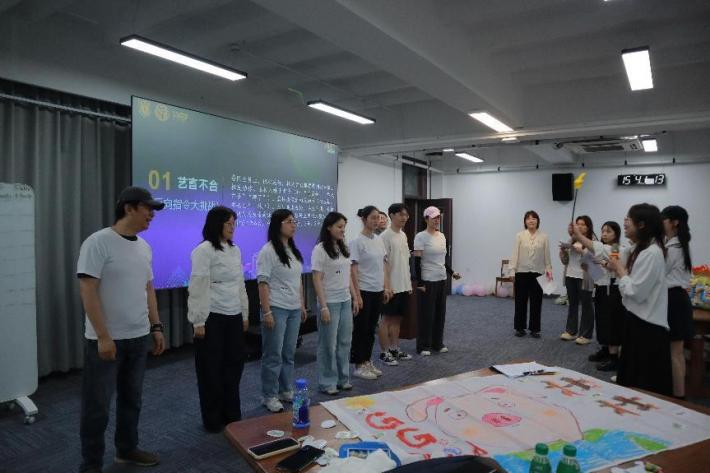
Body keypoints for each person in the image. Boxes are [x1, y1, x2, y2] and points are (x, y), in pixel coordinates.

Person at [76, 186, 166, 473]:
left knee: (132, 400)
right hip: (105, 341)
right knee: (97, 406)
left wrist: (156, 326)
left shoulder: (144, 247)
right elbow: (88, 290)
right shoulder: (98, 242)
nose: (151, 214)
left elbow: (148, 289)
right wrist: (103, 336)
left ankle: (126, 450)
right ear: (128, 208)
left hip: (138, 337)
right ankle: (91, 464)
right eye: (147, 208)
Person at [187, 206, 250, 432]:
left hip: (234, 314)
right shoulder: (204, 250)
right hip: (211, 316)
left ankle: (231, 415)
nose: (233, 227)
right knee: (210, 369)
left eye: (234, 223)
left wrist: (244, 313)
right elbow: (198, 286)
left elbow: (240, 284)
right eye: (228, 223)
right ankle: (213, 419)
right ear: (217, 224)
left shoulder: (235, 250)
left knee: (234, 366)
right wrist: (198, 321)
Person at [606, 204, 672, 396]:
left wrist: (620, 271)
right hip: (638, 321)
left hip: (646, 327)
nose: (625, 222)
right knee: (632, 381)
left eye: (629, 219)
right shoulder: (642, 249)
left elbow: (635, 292)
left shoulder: (651, 253)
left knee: (642, 387)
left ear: (642, 224)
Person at [257, 209, 307, 413]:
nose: (293, 225)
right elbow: (262, 283)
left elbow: (298, 281)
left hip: (293, 308)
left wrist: (302, 304)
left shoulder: (293, 250)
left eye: (294, 221)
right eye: (289, 221)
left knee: (288, 353)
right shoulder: (268, 251)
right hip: (276, 307)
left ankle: (285, 389)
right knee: (273, 354)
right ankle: (269, 395)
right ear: (278, 225)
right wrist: (267, 311)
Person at [312, 212, 360, 395]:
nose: (342, 230)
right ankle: (327, 382)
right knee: (328, 344)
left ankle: (343, 379)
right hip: (330, 302)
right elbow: (317, 279)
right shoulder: (320, 249)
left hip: (344, 300)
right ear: (329, 227)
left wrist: (354, 297)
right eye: (339, 227)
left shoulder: (343, 247)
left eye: (344, 227)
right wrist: (323, 306)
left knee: (345, 341)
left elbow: (347, 276)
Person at [572, 221, 624, 371]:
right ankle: (605, 349)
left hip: (612, 289)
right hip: (601, 288)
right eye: (603, 231)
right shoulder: (602, 247)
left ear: (616, 234)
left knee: (611, 323)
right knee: (602, 320)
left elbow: (613, 265)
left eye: (608, 231)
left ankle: (613, 358)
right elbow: (590, 264)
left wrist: (600, 262)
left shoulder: (615, 248)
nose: (604, 234)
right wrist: (587, 259)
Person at [413, 206, 461, 356]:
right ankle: (423, 346)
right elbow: (416, 262)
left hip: (441, 278)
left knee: (440, 313)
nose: (437, 220)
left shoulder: (442, 236)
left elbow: (441, 260)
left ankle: (437, 343)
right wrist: (420, 283)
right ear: (426, 219)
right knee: (426, 314)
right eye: (433, 217)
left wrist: (452, 273)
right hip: (427, 280)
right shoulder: (420, 237)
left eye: (438, 217)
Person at [350, 205, 389, 376]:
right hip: (364, 290)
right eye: (373, 217)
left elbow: (383, 265)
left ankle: (367, 361)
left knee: (372, 328)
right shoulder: (356, 241)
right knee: (361, 329)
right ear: (364, 219)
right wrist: (357, 295)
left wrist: (386, 286)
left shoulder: (378, 240)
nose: (376, 221)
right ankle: (359, 364)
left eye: (378, 217)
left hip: (377, 289)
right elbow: (353, 270)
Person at [661, 206, 694, 399]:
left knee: (675, 352)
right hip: (678, 299)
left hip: (673, 300)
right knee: (677, 352)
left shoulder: (673, 248)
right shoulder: (679, 245)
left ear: (674, 222)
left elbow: (659, 273)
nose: (661, 223)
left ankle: (678, 396)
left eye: (664, 219)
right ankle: (678, 393)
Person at [379, 203, 414, 365]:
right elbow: (383, 264)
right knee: (386, 319)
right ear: (392, 215)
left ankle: (394, 348)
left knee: (398, 319)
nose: (404, 218)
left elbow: (405, 262)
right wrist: (386, 286)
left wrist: (408, 284)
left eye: (406, 215)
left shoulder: (403, 235)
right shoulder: (385, 236)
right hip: (391, 287)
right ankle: (384, 352)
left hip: (403, 285)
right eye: (401, 214)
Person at [509, 210, 552, 338]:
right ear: (525, 221)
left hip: (538, 273)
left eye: (534, 218)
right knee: (520, 301)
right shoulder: (519, 236)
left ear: (538, 221)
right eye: (528, 218)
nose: (531, 220)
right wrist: (512, 271)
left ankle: (535, 329)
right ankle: (519, 328)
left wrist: (549, 271)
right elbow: (515, 254)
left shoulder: (544, 237)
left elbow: (547, 256)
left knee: (536, 302)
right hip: (521, 272)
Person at [559, 216, 596, 345]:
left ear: (588, 227)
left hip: (585, 277)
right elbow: (565, 261)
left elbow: (595, 261)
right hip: (570, 275)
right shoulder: (572, 239)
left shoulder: (592, 241)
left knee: (586, 305)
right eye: (578, 224)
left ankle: (586, 335)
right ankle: (571, 331)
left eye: (583, 224)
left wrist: (582, 252)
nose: (579, 226)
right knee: (572, 304)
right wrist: (563, 251)